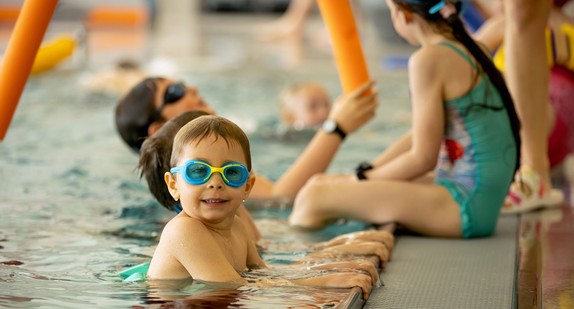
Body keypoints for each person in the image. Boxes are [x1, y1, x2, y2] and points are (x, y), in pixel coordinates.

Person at [288, 0, 521, 238]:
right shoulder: (473, 47)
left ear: (404, 14)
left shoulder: (427, 60)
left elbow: (422, 158)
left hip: (464, 206)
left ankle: (307, 265)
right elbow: (418, 138)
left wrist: (359, 180)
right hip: (481, 200)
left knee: (311, 198)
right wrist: (364, 174)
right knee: (321, 182)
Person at [146, 115, 386, 298]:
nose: (216, 183)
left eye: (231, 173)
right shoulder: (183, 231)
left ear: (248, 186)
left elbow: (265, 274)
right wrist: (321, 283)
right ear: (174, 185)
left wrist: (332, 265)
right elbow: (235, 286)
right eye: (198, 171)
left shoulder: (237, 227)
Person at [116, 76, 378, 199]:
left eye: (183, 83)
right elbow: (280, 196)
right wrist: (336, 128)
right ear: (159, 127)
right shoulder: (198, 181)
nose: (191, 88)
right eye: (175, 92)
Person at [472, 2, 571, 213]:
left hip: (527, 131)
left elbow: (459, 62)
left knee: (480, 93)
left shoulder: (502, 25)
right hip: (559, 137)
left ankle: (392, 166)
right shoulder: (566, 25)